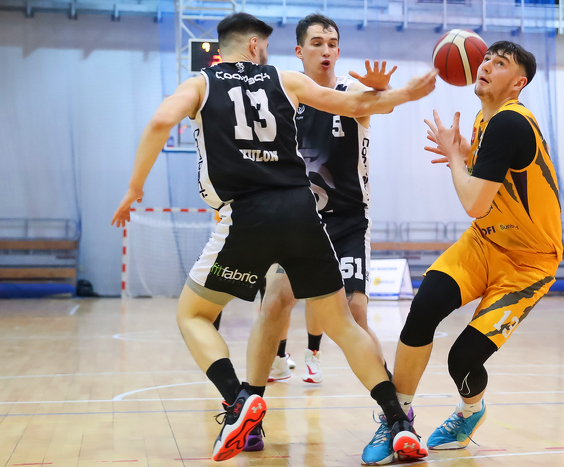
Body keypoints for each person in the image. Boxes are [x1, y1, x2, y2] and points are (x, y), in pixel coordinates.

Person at [111, 12, 436, 462]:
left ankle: (238, 401)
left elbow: (160, 121)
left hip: (248, 217)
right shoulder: (284, 79)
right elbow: (354, 105)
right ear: (256, 46)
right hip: (302, 212)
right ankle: (398, 421)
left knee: (194, 315)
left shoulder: (200, 83)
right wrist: (408, 93)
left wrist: (134, 189)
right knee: (341, 322)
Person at [361, 41, 562, 464]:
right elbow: (493, 186)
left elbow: (473, 202)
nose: (486, 64)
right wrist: (468, 156)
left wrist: (455, 158)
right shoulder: (484, 119)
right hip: (485, 242)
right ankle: (397, 419)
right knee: (424, 308)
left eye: (500, 63)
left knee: (464, 360)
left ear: (518, 83)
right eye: (486, 58)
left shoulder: (510, 122)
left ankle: (471, 412)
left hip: (528, 262)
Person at [244, 13, 397, 452]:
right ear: (299, 51)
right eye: (317, 43)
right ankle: (249, 412)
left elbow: (379, 106)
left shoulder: (351, 92)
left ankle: (395, 413)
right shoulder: (283, 97)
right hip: (297, 220)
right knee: (274, 303)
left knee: (356, 312)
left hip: (347, 220)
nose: (326, 50)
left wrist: (381, 92)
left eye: (332, 43)